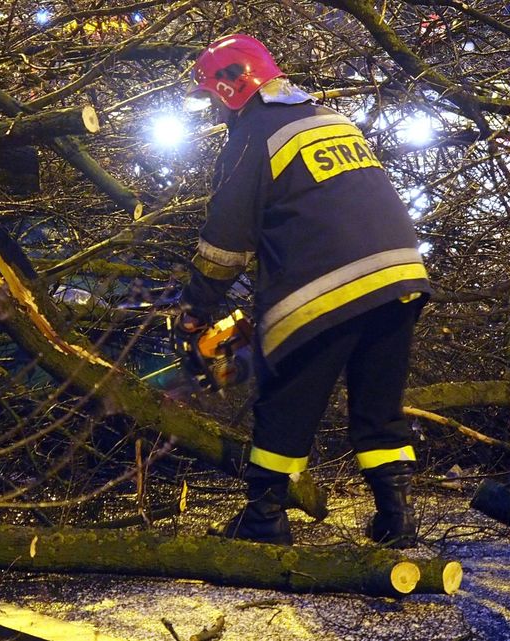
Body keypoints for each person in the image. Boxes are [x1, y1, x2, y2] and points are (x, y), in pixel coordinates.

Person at [175, 34, 431, 548]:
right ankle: (397, 519)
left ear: (231, 86)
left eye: (211, 96)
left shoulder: (253, 136)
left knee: (286, 397)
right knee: (379, 407)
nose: (214, 112)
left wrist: (195, 309)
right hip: (401, 277)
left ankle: (265, 518)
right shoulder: (330, 120)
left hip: (328, 286)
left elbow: (226, 243)